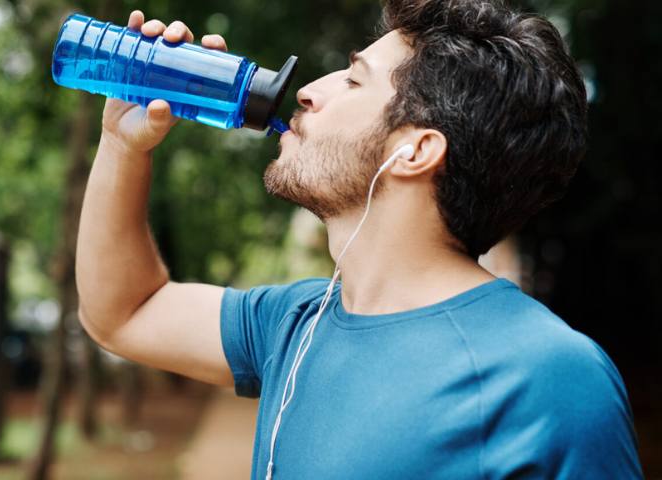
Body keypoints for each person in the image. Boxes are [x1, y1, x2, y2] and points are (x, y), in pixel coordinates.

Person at [75, 0, 643, 478]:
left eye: (352, 80)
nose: (306, 92)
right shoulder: (295, 324)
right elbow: (123, 313)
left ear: (415, 151)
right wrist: (123, 143)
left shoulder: (548, 379)